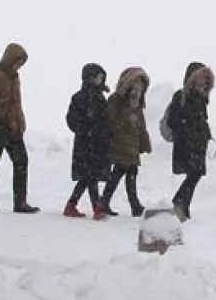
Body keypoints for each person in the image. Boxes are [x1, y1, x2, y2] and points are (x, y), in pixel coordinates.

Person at [0, 43, 39, 214]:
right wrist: (2, 117)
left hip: (13, 129)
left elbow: (17, 104)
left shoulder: (15, 77)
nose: (19, 66)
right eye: (18, 62)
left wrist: (19, 123)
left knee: (21, 162)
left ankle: (20, 202)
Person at [64, 63, 113, 219]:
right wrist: (87, 129)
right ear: (90, 78)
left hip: (97, 144)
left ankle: (71, 205)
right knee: (91, 177)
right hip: (86, 144)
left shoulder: (100, 98)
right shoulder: (80, 98)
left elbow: (105, 120)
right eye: (98, 77)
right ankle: (97, 209)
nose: (101, 80)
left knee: (87, 178)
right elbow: (72, 120)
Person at [168, 62, 215, 221]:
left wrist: (207, 134)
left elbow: (202, 121)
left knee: (196, 174)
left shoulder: (202, 99)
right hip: (186, 144)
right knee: (194, 173)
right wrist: (186, 128)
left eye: (205, 80)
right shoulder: (181, 96)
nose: (203, 83)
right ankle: (180, 203)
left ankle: (183, 204)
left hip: (199, 143)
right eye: (201, 79)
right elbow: (173, 120)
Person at [102, 67, 151, 217]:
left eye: (141, 85)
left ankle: (107, 201)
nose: (138, 88)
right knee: (124, 172)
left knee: (125, 173)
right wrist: (124, 123)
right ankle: (131, 204)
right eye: (136, 83)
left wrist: (144, 142)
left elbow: (141, 125)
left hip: (132, 145)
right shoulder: (117, 99)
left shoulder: (137, 103)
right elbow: (110, 119)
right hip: (121, 143)